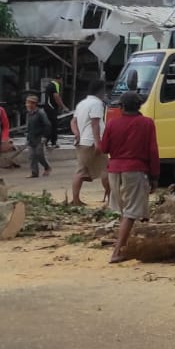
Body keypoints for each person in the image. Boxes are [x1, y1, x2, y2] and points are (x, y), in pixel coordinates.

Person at [99, 91, 158, 264]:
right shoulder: (147, 123)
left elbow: (104, 148)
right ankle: (118, 251)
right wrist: (155, 176)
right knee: (131, 212)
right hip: (135, 170)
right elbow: (153, 151)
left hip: (114, 171)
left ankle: (123, 245)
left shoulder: (112, 123)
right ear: (139, 106)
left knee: (125, 211)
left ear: (121, 106)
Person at [69, 80, 110, 207]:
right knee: (106, 169)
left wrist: (77, 134)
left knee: (80, 171)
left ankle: (75, 200)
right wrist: (98, 143)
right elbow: (95, 123)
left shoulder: (82, 103)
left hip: (82, 142)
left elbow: (73, 121)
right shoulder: (97, 104)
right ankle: (111, 199)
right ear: (101, 91)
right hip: (92, 142)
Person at [23, 94, 52, 178]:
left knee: (39, 154)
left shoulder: (40, 113)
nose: (27, 105)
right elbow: (29, 125)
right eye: (27, 103)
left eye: (29, 103)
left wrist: (45, 136)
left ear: (34, 104)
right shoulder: (29, 113)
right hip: (31, 137)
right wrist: (27, 134)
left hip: (39, 137)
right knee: (31, 156)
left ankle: (47, 167)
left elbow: (47, 125)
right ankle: (34, 173)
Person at [41, 76, 69, 150]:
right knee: (53, 125)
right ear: (60, 79)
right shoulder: (55, 85)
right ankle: (52, 142)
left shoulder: (50, 85)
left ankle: (47, 142)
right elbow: (56, 97)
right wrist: (64, 107)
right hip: (51, 108)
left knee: (49, 125)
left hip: (48, 108)